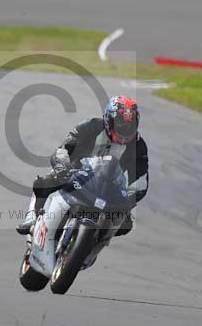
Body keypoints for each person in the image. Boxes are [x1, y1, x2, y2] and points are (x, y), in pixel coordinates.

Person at [16, 95, 148, 237]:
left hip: (109, 188)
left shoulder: (139, 145)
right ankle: (32, 218)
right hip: (75, 175)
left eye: (130, 125)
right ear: (108, 119)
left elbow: (141, 179)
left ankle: (95, 244)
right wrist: (62, 167)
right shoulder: (89, 126)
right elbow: (63, 149)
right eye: (120, 124)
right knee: (44, 182)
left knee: (125, 224)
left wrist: (129, 197)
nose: (125, 129)